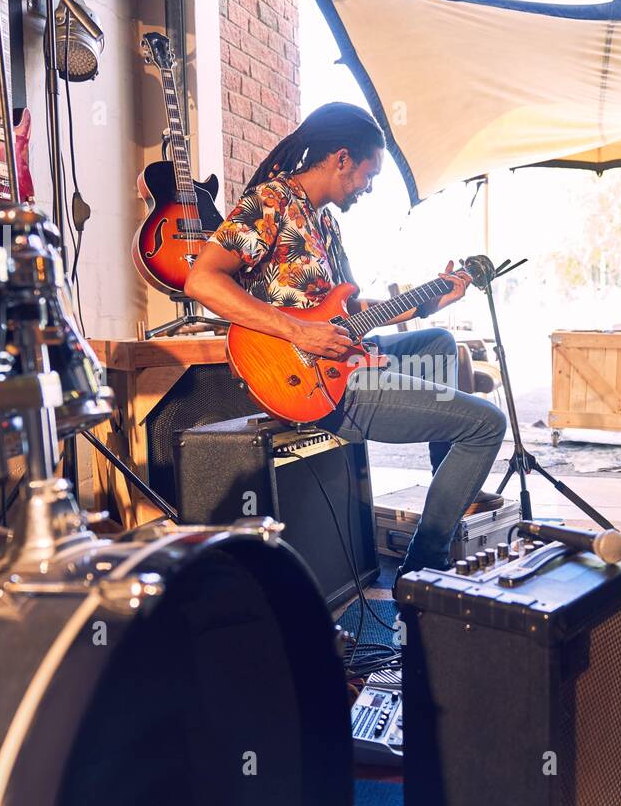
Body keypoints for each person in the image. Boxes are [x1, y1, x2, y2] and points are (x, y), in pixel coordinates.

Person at [188, 102, 507, 575]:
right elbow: (202, 281)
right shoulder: (270, 202)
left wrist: (428, 298)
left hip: (338, 351)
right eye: (368, 174)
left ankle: (450, 484)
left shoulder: (326, 222)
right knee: (486, 424)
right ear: (341, 159)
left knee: (438, 342)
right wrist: (301, 332)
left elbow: (347, 310)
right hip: (304, 376)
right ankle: (426, 565)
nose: (368, 186)